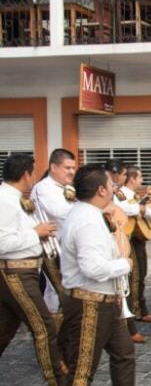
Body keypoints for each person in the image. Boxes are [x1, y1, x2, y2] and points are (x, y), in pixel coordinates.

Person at [59, 164, 136, 386]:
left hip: (106, 300)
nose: (115, 188)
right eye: (111, 184)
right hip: (89, 302)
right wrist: (125, 265)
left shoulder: (93, 215)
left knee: (124, 354)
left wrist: (117, 229)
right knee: (82, 370)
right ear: (101, 190)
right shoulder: (87, 221)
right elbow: (92, 268)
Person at [0, 154, 66, 386]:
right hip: (15, 271)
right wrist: (35, 233)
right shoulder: (5, 201)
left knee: (4, 331)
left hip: (23, 270)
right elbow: (3, 243)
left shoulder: (13, 199)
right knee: (44, 327)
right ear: (26, 174)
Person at [29, 148, 76, 358]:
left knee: (58, 295)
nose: (71, 171)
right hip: (51, 252)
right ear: (53, 167)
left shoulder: (66, 187)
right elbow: (61, 212)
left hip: (66, 251)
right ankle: (55, 349)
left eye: (74, 168)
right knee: (59, 297)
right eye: (67, 167)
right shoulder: (44, 188)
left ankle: (58, 346)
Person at [104, 159, 147, 345]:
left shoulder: (116, 191)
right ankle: (127, 326)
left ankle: (126, 326)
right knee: (123, 283)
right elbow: (121, 209)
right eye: (123, 175)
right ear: (115, 175)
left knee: (124, 284)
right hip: (109, 240)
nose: (124, 178)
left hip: (120, 237)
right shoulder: (107, 189)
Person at [121, 165, 151, 324]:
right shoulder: (121, 194)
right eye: (140, 177)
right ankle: (135, 310)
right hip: (129, 238)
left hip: (138, 237)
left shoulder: (134, 195)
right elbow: (127, 210)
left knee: (141, 273)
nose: (141, 180)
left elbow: (144, 213)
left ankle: (139, 308)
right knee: (135, 275)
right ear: (132, 178)